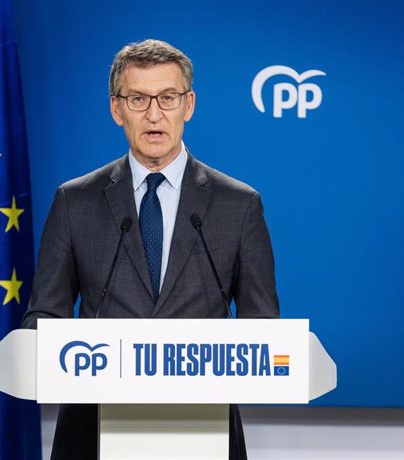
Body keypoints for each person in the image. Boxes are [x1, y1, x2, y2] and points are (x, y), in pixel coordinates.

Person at [22, 39, 279, 460]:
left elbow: (262, 327)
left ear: (189, 105)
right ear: (116, 109)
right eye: (138, 98)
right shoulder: (75, 201)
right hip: (92, 429)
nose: (154, 114)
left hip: (203, 428)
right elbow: (43, 315)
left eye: (168, 97)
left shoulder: (238, 204)